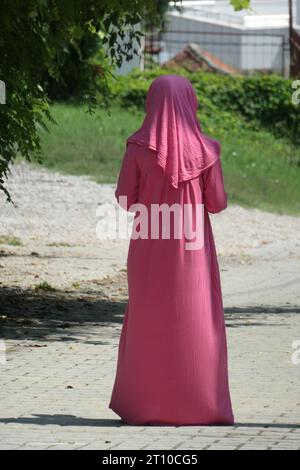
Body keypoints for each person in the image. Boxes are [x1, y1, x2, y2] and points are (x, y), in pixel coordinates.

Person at [108, 74, 234, 426]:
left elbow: (123, 199)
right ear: (190, 103)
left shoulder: (136, 148)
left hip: (149, 246)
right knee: (196, 320)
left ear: (151, 103)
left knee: (149, 320)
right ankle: (202, 405)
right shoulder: (207, 150)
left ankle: (144, 406)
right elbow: (218, 204)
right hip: (193, 249)